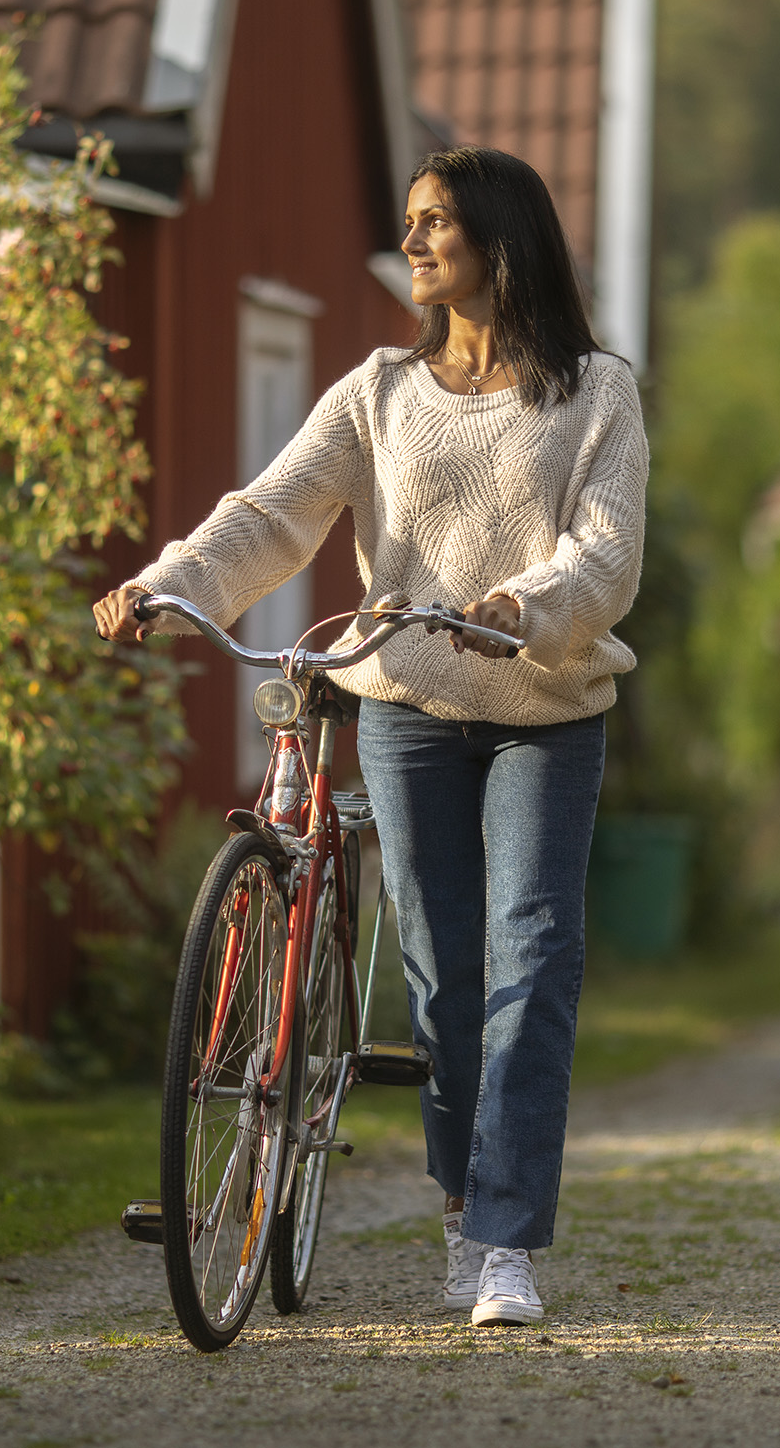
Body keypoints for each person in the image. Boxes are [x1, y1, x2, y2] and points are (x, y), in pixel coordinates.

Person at [92, 145, 647, 1328]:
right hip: (407, 709)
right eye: (408, 222)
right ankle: (463, 1212)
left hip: (545, 714)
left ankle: (504, 1246)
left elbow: (604, 557)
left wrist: (526, 607)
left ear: (500, 239)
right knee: (444, 987)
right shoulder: (377, 393)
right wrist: (164, 584)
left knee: (533, 963)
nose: (414, 241)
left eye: (436, 221)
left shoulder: (595, 391)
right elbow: (273, 512)